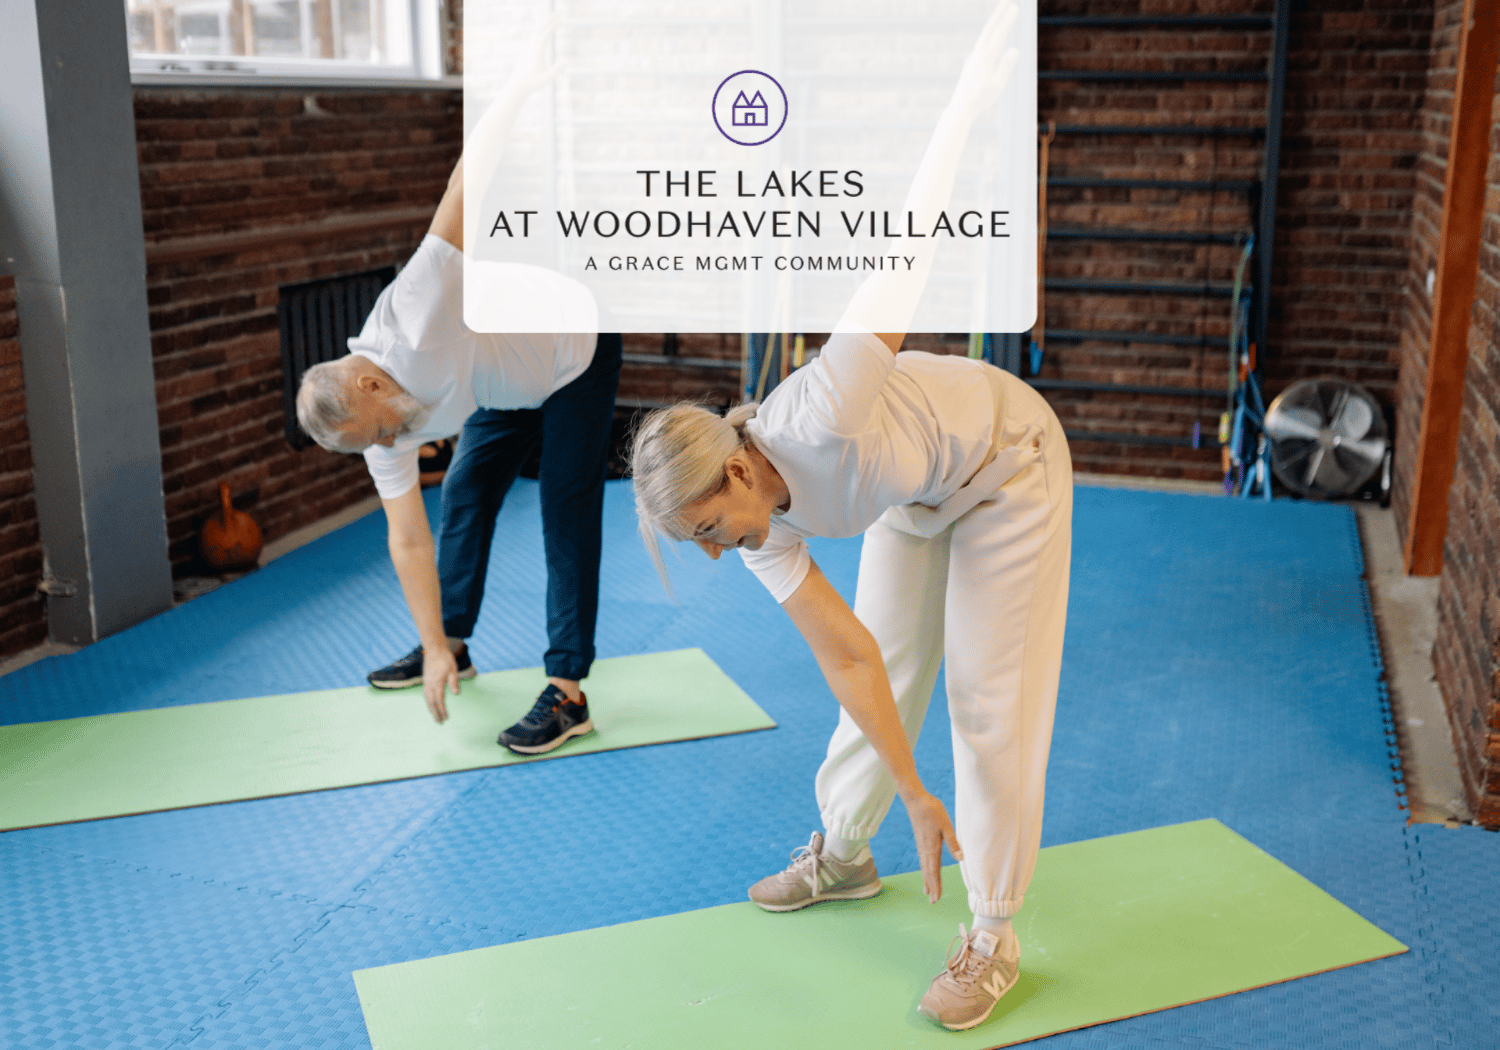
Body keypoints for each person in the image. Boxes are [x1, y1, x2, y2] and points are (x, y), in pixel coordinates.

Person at [630, 3, 1068, 1031]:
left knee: (985, 695)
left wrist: (967, 104)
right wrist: (914, 792)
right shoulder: (755, 526)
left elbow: (911, 235)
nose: (717, 547)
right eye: (695, 538)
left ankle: (993, 932)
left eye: (707, 524)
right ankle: (846, 851)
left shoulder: (821, 408)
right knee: (893, 675)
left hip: (1010, 462)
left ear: (739, 466)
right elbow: (852, 658)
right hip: (912, 492)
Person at [296, 26, 620, 755]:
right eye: (373, 444)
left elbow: (464, 182)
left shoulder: (416, 307)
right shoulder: (370, 419)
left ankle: (568, 692)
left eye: (380, 434)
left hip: (571, 349)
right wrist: (430, 642)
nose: (387, 447)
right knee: (467, 493)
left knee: (565, 509)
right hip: (497, 383)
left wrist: (521, 85)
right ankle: (456, 643)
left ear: (372, 382)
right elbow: (406, 534)